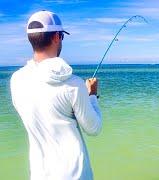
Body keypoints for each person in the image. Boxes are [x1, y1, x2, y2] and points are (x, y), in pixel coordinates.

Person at [10, 10, 102, 180]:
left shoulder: (16, 80)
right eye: (62, 37)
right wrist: (92, 96)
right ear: (56, 37)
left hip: (40, 174)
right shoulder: (73, 84)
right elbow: (94, 128)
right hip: (76, 175)